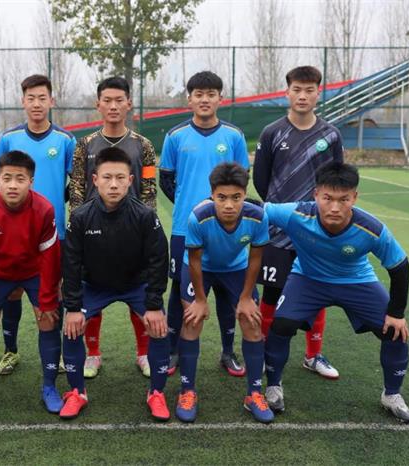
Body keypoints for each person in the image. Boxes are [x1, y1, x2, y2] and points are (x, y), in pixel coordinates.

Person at [263, 162, 409, 422]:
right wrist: (212, 203)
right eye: (328, 198)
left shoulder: (371, 228)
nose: (335, 207)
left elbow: (400, 267)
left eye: (343, 199)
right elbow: (255, 208)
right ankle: (273, 386)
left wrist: (396, 313)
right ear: (316, 195)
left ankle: (392, 394)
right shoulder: (295, 214)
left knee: (395, 332)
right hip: (307, 279)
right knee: (281, 324)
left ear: (354, 197)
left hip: (356, 281)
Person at [61, 147, 170, 421]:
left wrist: (154, 305)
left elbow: (158, 259)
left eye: (120, 178)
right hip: (95, 285)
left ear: (130, 181)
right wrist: (73, 308)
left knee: (159, 328)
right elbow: (71, 264)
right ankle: (77, 392)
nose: (113, 184)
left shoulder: (145, 216)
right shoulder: (80, 217)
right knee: (71, 329)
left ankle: (156, 393)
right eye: (107, 177)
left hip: (136, 285)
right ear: (94, 180)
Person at [253, 65, 344, 380]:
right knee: (271, 293)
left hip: (316, 230)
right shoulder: (272, 132)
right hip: (278, 230)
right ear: (287, 92)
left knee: (317, 292)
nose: (302, 96)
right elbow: (261, 180)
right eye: (297, 89)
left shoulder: (330, 135)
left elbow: (336, 181)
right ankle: (263, 352)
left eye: (309, 90)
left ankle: (313, 354)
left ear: (318, 93)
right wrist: (281, 211)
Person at [158, 71, 250, 377]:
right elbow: (166, 180)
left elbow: (242, 180)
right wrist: (190, 207)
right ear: (189, 99)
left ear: (221, 98)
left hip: (227, 228)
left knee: (225, 289)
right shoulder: (176, 136)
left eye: (211, 94)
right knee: (178, 289)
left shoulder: (234, 136)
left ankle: (228, 352)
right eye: (199, 94)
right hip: (185, 229)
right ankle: (173, 350)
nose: (205, 100)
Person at [0, 151, 63, 414]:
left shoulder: (44, 209)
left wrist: (48, 299)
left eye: (20, 179)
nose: (13, 185)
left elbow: (50, 258)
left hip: (34, 271)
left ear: (31, 181)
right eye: (7, 178)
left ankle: (49, 387)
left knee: (48, 319)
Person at [69, 76, 157, 379]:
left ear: (129, 104)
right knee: (91, 293)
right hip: (93, 233)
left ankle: (143, 353)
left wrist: (147, 229)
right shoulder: (84, 145)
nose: (113, 106)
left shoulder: (143, 145)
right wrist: (78, 226)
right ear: (98, 104)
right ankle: (92, 354)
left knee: (138, 293)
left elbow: (149, 189)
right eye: (107, 100)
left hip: (133, 233)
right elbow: (77, 189)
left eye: (119, 100)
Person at [0, 74, 75, 376]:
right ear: (23, 101)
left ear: (52, 101)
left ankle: (59, 354)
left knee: (54, 290)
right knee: (12, 291)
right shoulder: (9, 139)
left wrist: (52, 207)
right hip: (13, 232)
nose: (37, 104)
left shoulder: (65, 140)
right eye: (31, 98)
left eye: (42, 98)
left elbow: (74, 183)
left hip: (54, 231)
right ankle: (11, 350)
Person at [176, 163, 273, 424]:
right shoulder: (198, 217)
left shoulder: (258, 217)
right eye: (222, 197)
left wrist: (246, 297)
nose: (229, 205)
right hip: (201, 268)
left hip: (235, 268)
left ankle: (254, 394)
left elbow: (255, 258)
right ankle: (187, 391)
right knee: (192, 319)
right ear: (212, 194)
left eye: (236, 197)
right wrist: (199, 300)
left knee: (252, 321)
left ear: (244, 194)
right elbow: (194, 260)